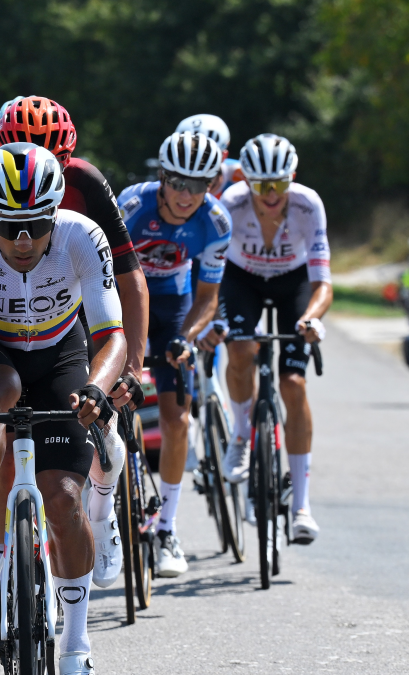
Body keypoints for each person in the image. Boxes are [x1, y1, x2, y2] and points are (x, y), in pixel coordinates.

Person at [0, 96, 148, 561]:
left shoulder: (85, 190)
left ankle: (101, 504)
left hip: (63, 309)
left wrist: (128, 369)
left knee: (91, 411)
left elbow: (128, 278)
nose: (23, 231)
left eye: (56, 159)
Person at [0, 143, 125, 675]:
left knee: (62, 500)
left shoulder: (84, 237)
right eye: (8, 226)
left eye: (36, 225)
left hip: (62, 351)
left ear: (55, 216)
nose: (22, 239)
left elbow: (112, 336)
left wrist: (99, 390)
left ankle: (78, 645)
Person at [118, 130, 232, 577]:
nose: (187, 195)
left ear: (211, 186)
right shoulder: (131, 206)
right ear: (162, 178)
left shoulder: (216, 222)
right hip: (125, 298)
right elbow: (98, 273)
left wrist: (187, 336)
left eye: (199, 186)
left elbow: (208, 297)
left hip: (173, 305)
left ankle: (166, 527)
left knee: (176, 416)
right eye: (178, 183)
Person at [215, 133, 331, 545]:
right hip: (240, 279)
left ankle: (301, 506)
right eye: (260, 185)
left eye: (278, 184)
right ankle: (243, 433)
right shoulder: (228, 204)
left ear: (291, 179)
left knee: (292, 384)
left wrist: (311, 320)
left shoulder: (307, 204)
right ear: (246, 181)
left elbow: (322, 284)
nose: (270, 195)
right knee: (242, 349)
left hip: (292, 282)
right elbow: (210, 276)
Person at [175, 114, 243, 198]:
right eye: (189, 157)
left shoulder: (240, 174)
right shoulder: (169, 181)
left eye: (206, 158)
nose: (197, 166)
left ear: (223, 156)